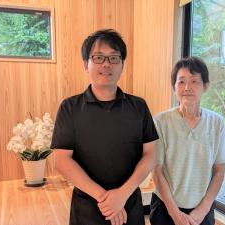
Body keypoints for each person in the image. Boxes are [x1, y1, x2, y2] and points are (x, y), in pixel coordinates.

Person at [51, 29, 159, 225]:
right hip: (87, 207)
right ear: (86, 63)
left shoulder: (139, 106)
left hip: (129, 204)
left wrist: (122, 195)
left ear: (122, 64)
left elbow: (151, 154)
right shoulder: (70, 107)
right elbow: (61, 160)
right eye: (98, 57)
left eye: (114, 58)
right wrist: (106, 199)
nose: (106, 64)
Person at [150, 56, 225, 225]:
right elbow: (156, 171)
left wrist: (204, 208)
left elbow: (219, 170)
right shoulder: (160, 122)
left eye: (194, 81)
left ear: (205, 86)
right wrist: (175, 213)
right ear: (174, 88)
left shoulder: (217, 123)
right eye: (181, 82)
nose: (187, 88)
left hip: (202, 208)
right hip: (165, 207)